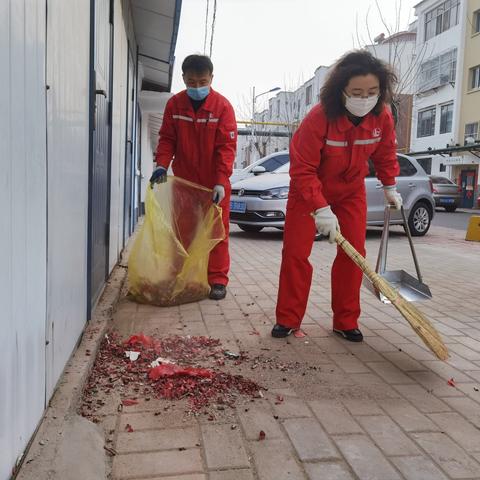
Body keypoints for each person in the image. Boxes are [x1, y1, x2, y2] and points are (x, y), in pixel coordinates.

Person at [272, 50, 402, 341]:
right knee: (296, 253)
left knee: (354, 253)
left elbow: (385, 153)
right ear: (341, 90)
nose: (364, 98)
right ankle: (288, 318)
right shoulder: (319, 118)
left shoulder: (382, 117)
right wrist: (320, 209)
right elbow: (302, 168)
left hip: (351, 191)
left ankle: (346, 320)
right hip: (308, 193)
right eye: (357, 92)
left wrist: (390, 185)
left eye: (372, 92)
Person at [150, 54, 237, 301]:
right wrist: (161, 166)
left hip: (215, 186)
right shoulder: (175, 105)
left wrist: (221, 180)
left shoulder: (223, 107)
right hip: (185, 183)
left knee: (217, 232)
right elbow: (167, 139)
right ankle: (181, 276)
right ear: (183, 79)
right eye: (191, 82)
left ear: (211, 78)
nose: (197, 87)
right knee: (182, 232)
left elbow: (226, 149)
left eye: (202, 81)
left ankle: (217, 280)